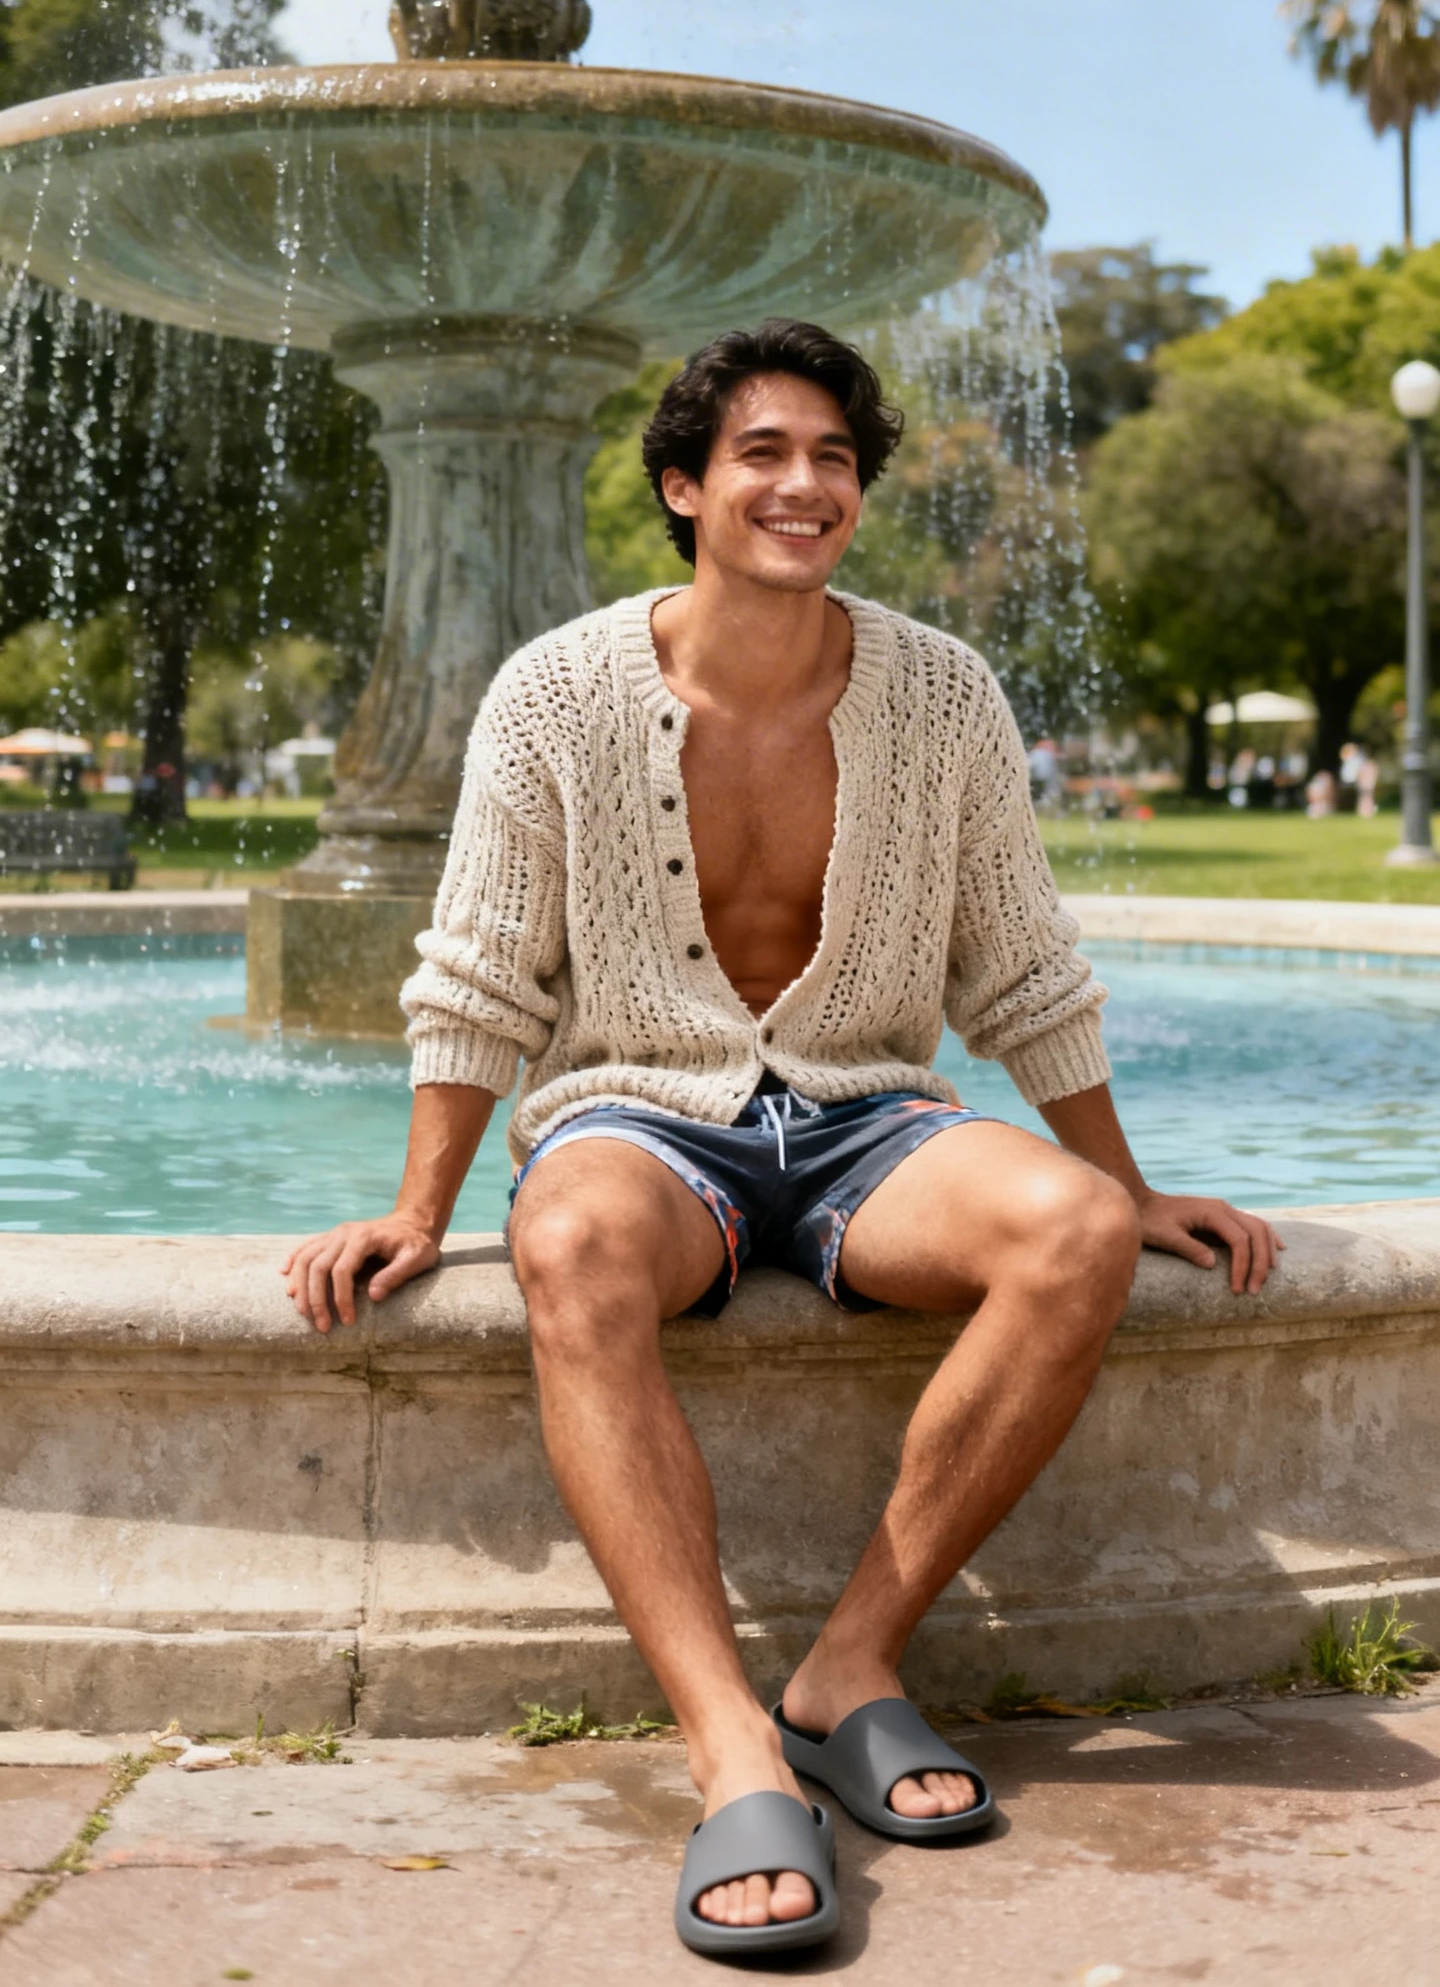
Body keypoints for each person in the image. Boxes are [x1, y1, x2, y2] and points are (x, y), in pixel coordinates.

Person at [283, 320, 1281, 1961]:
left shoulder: (943, 694)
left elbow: (1021, 966)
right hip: (638, 1111)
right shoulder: (554, 696)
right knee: (573, 1241)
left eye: (832, 457)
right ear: (687, 488)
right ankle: (732, 1743)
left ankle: (850, 1665)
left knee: (1076, 1234)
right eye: (762, 453)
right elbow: (478, 972)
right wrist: (415, 1206)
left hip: (866, 1113)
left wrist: (1129, 1177)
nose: (803, 483)